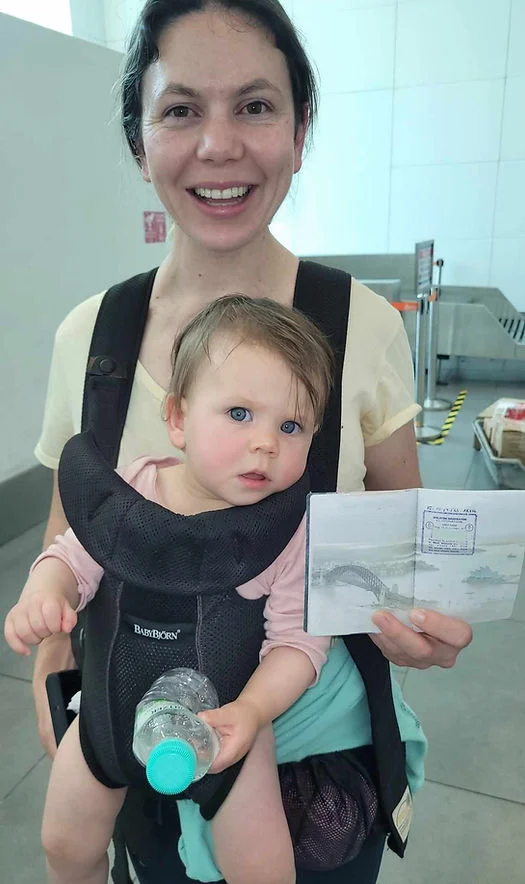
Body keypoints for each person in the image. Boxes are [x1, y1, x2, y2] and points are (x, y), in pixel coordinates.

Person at [30, 2, 472, 882]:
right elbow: (66, 536)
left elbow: (399, 542)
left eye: (257, 107)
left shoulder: (363, 328)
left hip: (308, 774)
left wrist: (416, 620)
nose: (219, 146)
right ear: (138, 139)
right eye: (181, 110)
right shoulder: (95, 334)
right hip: (136, 739)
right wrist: (56, 671)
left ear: (300, 131)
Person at [5, 296, 336, 884]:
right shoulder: (131, 490)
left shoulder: (288, 531)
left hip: (227, 724)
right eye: (239, 413)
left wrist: (253, 710)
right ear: (178, 417)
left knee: (265, 869)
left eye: (291, 426)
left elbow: (299, 643)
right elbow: (70, 557)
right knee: (63, 843)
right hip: (110, 713)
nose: (266, 442)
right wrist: (46, 591)